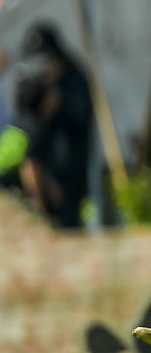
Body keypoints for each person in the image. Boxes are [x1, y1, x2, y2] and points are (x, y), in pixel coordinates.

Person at [9, 24, 93, 227]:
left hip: (69, 170)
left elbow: (80, 120)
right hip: (39, 167)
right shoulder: (35, 83)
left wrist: (60, 104)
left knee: (68, 223)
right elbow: (26, 124)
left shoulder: (73, 81)